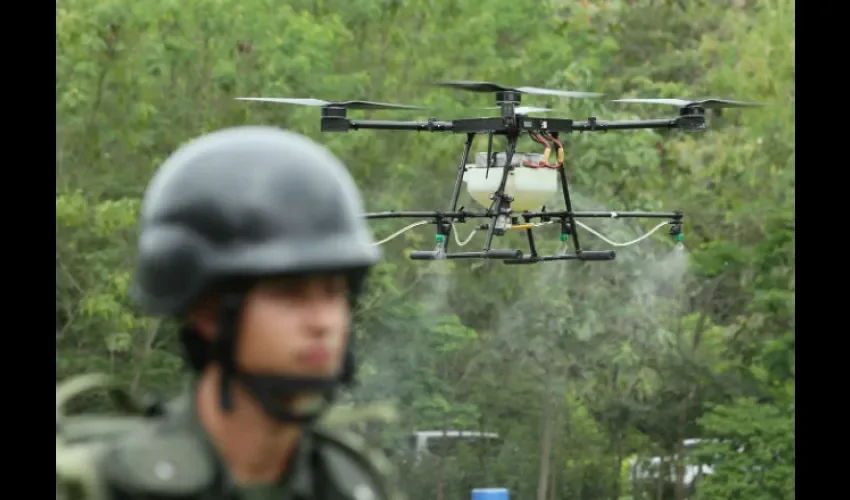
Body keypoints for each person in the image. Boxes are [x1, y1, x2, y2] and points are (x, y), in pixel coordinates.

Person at [56, 126, 402, 500]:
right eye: (290, 294)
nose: (323, 322)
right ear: (206, 310)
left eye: (334, 293)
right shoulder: (97, 485)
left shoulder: (351, 482)